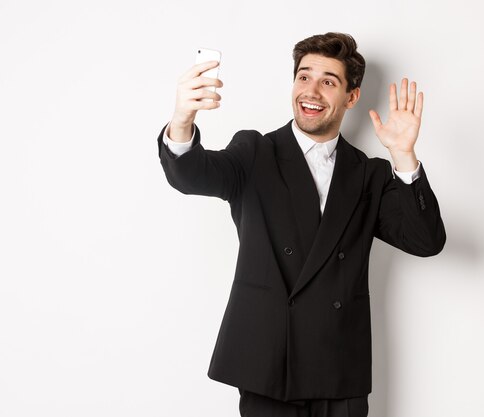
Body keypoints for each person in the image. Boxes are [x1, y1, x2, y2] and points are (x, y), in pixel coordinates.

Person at [157, 32, 446, 417]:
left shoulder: (369, 175)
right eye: (304, 76)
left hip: (339, 371)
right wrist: (181, 120)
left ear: (352, 97)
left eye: (328, 81)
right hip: (270, 367)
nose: (311, 90)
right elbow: (190, 175)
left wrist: (405, 159)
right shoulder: (254, 152)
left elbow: (425, 241)